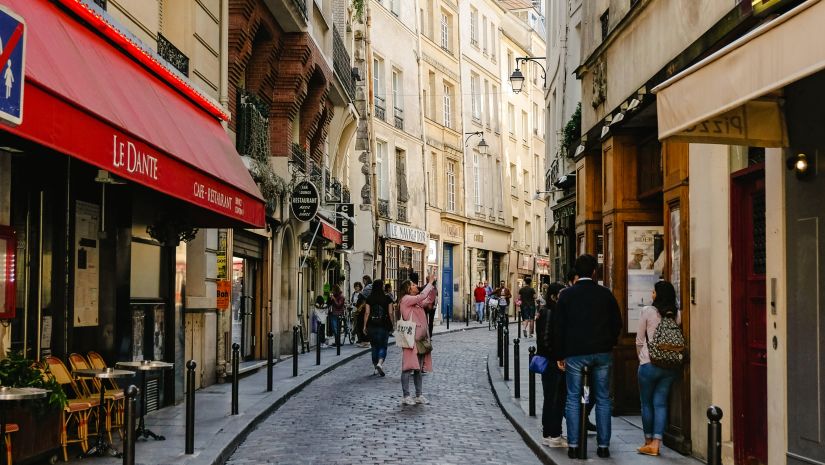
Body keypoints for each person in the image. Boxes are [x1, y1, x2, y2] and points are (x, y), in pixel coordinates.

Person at [554, 254, 622, 459]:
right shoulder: (605, 294)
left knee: (573, 398)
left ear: (577, 272)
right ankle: (603, 446)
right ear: (594, 272)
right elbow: (617, 323)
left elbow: (559, 327)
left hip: (575, 355)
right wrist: (608, 343)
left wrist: (560, 354)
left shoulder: (566, 295)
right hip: (602, 353)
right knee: (603, 398)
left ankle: (574, 445)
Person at [636, 281, 681, 456]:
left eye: (654, 291)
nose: (652, 293)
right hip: (669, 365)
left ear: (658, 294)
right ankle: (656, 443)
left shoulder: (648, 311)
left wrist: (641, 358)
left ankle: (647, 441)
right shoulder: (677, 314)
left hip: (649, 363)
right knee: (660, 403)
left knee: (646, 403)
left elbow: (640, 340)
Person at [536, 282, 568, 448]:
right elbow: (546, 339)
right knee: (554, 398)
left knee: (552, 398)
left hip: (552, 360)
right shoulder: (549, 312)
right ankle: (553, 434)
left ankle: (550, 433)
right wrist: (557, 357)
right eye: (561, 293)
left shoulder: (550, 311)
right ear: (554, 296)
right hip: (551, 362)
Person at [397, 275, 437, 405]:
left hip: (420, 339)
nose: (415, 286)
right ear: (408, 289)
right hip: (410, 340)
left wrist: (432, 289)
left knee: (418, 368)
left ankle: (419, 394)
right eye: (413, 285)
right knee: (407, 367)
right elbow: (421, 297)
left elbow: (427, 300)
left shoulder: (415, 302)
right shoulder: (406, 299)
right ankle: (406, 395)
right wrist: (429, 283)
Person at [362, 279, 394, 376]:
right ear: (382, 286)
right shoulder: (387, 298)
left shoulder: (369, 298)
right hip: (384, 325)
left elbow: (367, 313)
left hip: (372, 325)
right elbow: (390, 313)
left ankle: (375, 367)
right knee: (383, 346)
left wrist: (364, 326)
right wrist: (392, 324)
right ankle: (380, 363)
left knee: (374, 346)